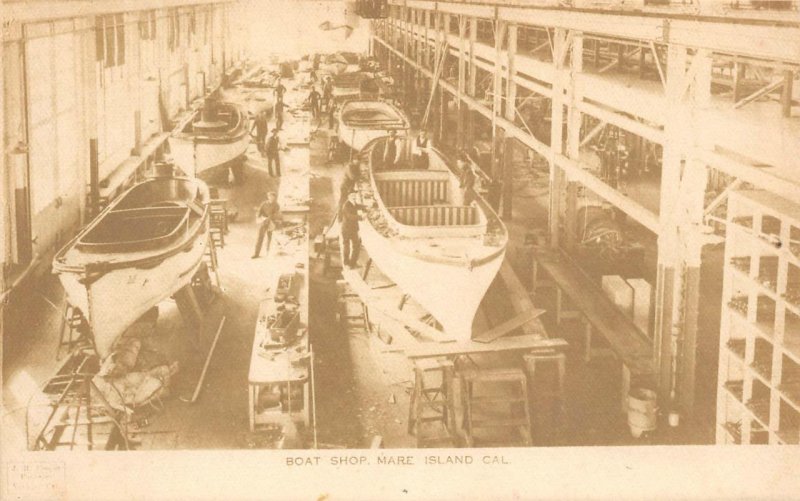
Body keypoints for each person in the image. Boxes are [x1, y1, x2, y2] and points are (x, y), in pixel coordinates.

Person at [252, 192, 281, 258]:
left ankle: (268, 253)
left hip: (271, 222)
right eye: (269, 196)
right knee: (260, 237)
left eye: (272, 196)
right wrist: (259, 216)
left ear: (275, 197)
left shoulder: (276, 205)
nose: (271, 198)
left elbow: (276, 214)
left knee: (270, 238)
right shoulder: (264, 204)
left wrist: (270, 218)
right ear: (268, 197)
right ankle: (256, 253)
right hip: (264, 222)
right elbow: (259, 211)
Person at [340, 191, 364, 269]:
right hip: (346, 229)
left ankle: (352, 263)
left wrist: (367, 206)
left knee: (356, 246)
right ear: (348, 197)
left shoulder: (353, 203)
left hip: (353, 229)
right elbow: (350, 216)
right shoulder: (346, 206)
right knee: (346, 246)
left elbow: (358, 206)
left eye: (355, 196)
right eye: (352, 196)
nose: (354, 197)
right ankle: (346, 263)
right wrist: (361, 217)